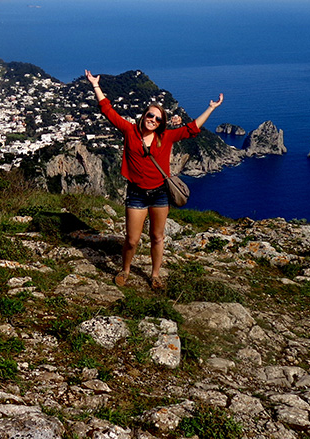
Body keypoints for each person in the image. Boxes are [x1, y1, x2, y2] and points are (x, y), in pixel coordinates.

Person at [84, 70, 223, 289]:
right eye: (150, 116)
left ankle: (155, 275)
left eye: (158, 119)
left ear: (161, 123)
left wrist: (211, 108)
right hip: (137, 193)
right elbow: (108, 111)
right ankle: (126, 270)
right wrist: (95, 85)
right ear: (144, 117)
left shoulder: (166, 137)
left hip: (160, 193)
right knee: (131, 240)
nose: (153, 120)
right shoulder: (130, 132)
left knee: (157, 237)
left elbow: (192, 129)